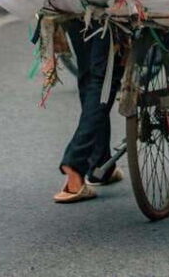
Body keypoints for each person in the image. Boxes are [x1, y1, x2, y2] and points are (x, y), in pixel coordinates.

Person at [54, 20, 124, 204]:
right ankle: (75, 164)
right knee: (105, 76)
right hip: (107, 1)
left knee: (89, 74)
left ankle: (101, 165)